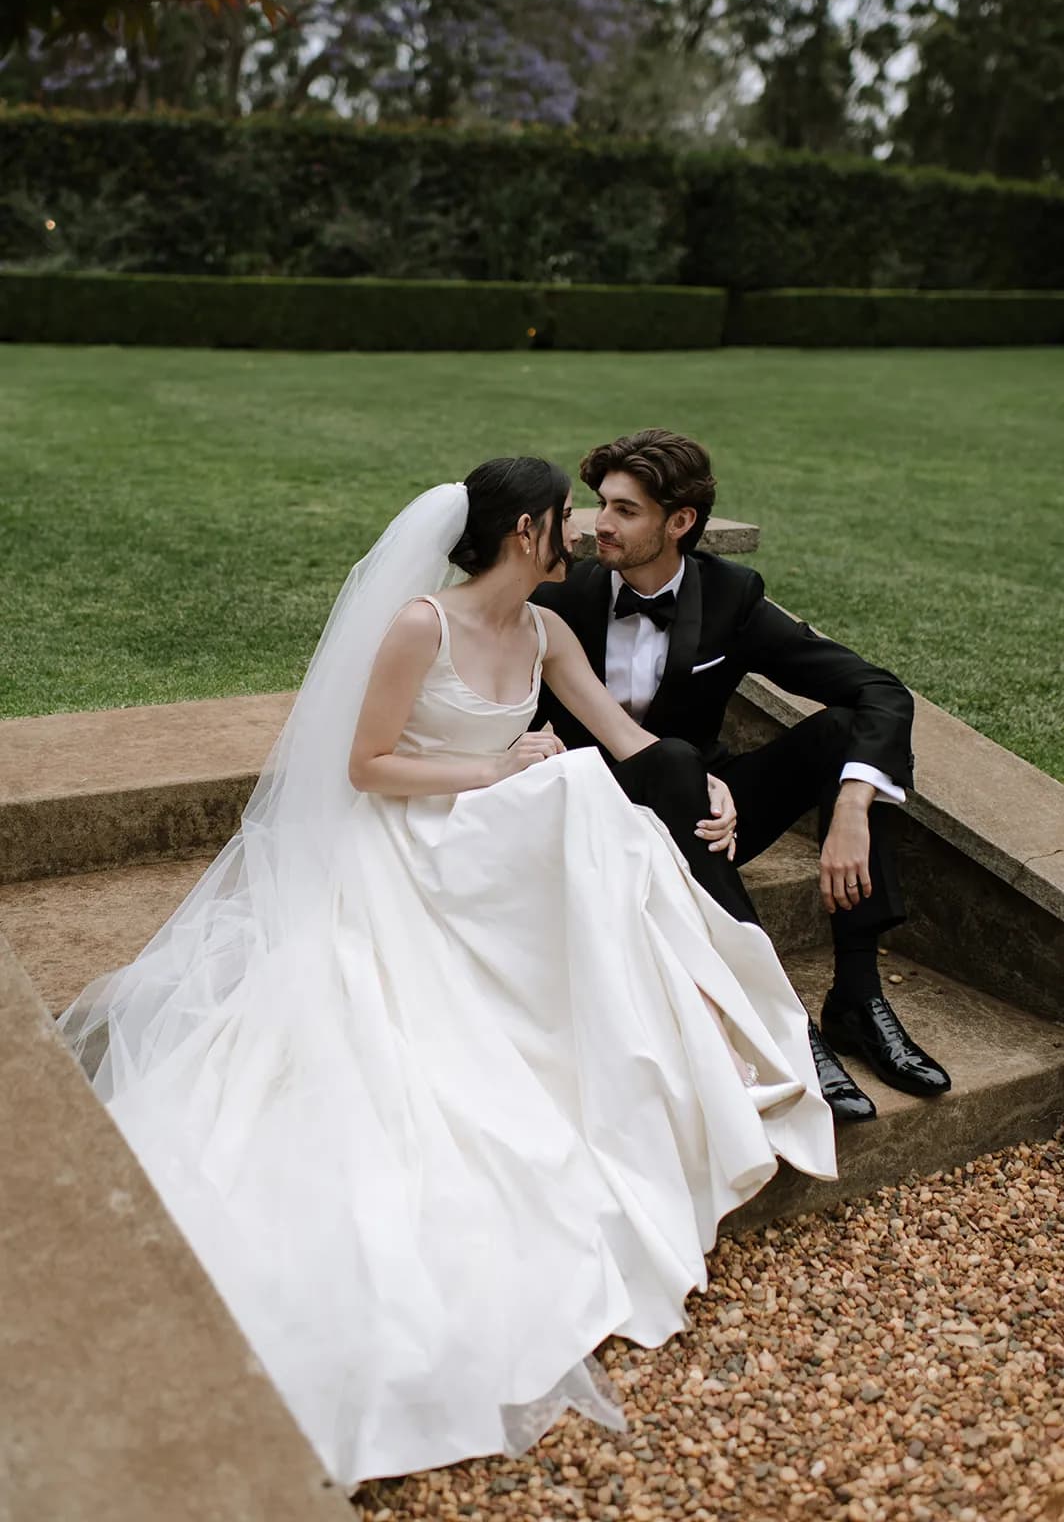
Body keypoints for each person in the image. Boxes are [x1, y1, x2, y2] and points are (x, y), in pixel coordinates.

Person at [59, 457, 834, 1492]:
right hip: (408, 842)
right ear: (526, 530)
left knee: (603, 802)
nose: (577, 535)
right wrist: (494, 769)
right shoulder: (420, 626)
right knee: (567, 797)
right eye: (564, 518)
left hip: (488, 833)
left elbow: (623, 737)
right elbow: (364, 763)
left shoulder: (548, 631)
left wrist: (712, 792)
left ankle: (676, 1039)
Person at [533, 429, 952, 1125]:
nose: (600, 524)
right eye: (600, 504)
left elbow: (877, 690)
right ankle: (783, 1021)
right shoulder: (560, 596)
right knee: (674, 764)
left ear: (681, 522)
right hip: (597, 815)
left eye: (626, 510)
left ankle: (856, 994)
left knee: (847, 738)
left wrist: (852, 803)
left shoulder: (730, 598)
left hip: (711, 818)